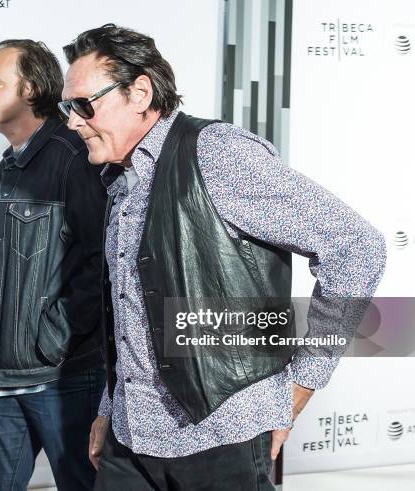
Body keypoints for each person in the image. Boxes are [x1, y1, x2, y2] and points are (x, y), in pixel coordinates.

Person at [59, 24, 386, 490]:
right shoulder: (120, 178)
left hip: (222, 435)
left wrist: (303, 381)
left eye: (83, 105)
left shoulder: (216, 153)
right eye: (67, 108)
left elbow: (357, 247)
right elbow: (131, 316)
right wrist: (110, 410)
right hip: (130, 441)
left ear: (140, 93)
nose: (72, 121)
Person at [0, 39, 106, 491]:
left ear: (30, 90)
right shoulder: (11, 165)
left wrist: (53, 340)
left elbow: (103, 260)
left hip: (60, 376)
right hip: (4, 375)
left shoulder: (72, 156)